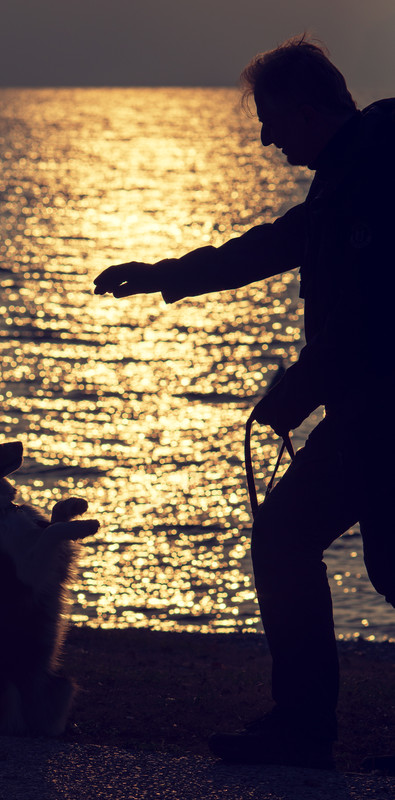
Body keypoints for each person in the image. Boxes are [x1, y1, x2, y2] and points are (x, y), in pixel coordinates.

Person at [93, 34, 395, 770]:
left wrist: (295, 391)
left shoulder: (370, 176)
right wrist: (162, 274)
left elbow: (369, 313)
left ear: (302, 107)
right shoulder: (349, 172)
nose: (263, 136)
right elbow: (267, 247)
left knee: (286, 536)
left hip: (378, 414)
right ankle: (300, 725)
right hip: (366, 411)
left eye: (268, 118)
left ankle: (300, 728)